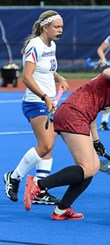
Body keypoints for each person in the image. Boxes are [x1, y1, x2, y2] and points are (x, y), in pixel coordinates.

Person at [23, 55, 110, 220]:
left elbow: (94, 112)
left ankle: (62, 209)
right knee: (86, 166)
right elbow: (108, 71)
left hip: (82, 116)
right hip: (73, 113)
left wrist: (96, 140)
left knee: (92, 168)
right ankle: (39, 184)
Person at [3, 10, 69, 205]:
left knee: (49, 147)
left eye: (61, 27)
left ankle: (39, 190)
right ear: (45, 27)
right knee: (45, 145)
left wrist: (59, 78)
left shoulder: (52, 45)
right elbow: (27, 77)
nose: (60, 30)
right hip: (35, 102)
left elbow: (50, 68)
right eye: (56, 27)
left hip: (48, 101)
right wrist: (44, 97)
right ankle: (14, 177)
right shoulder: (35, 45)